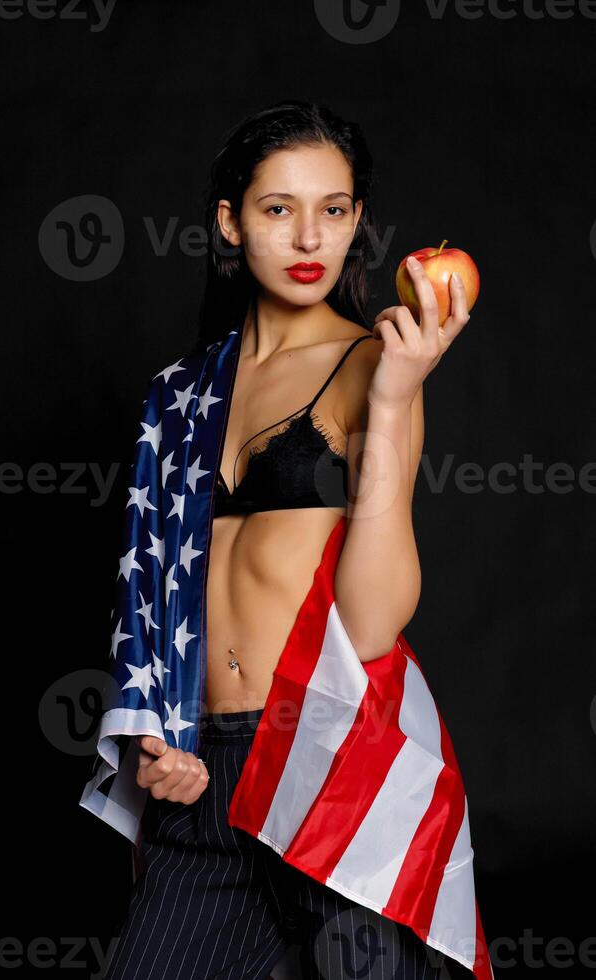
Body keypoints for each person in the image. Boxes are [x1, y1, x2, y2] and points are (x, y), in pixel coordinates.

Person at [101, 99, 474, 980]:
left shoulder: (373, 367)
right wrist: (155, 736)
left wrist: (391, 404)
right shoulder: (179, 392)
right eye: (279, 209)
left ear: (357, 223)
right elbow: (147, 589)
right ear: (231, 223)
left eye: (335, 210)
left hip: (336, 759)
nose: (310, 236)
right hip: (206, 771)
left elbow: (374, 623)